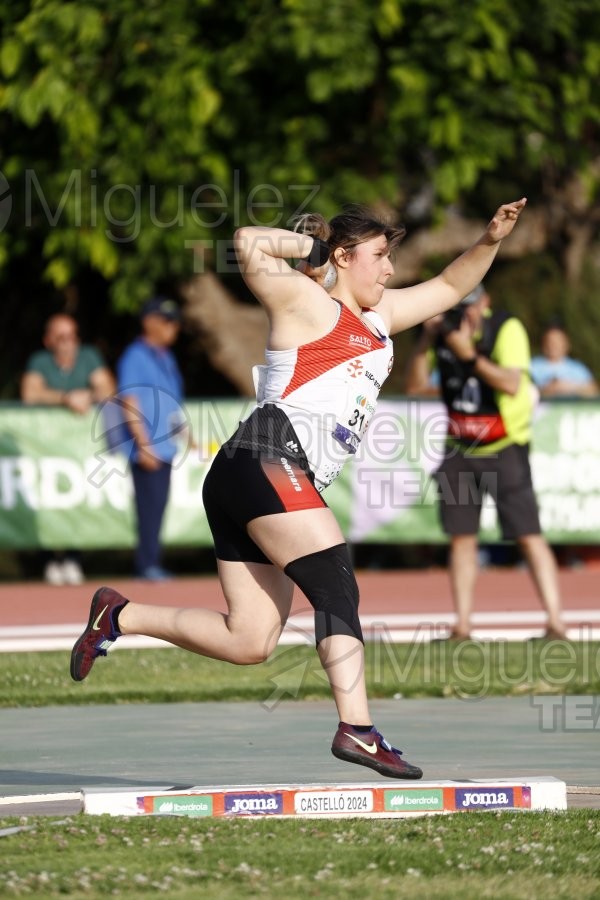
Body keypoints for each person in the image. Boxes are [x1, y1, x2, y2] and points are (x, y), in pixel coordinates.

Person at [71, 198, 527, 780]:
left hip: (254, 473)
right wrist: (313, 253)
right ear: (344, 256)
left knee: (250, 639)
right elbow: (247, 242)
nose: (390, 269)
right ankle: (357, 729)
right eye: (381, 256)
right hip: (266, 455)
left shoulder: (380, 317)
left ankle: (118, 616)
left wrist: (490, 238)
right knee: (335, 584)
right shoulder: (309, 302)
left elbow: (447, 283)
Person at [405, 284, 568, 641]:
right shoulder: (444, 333)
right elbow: (415, 385)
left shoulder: (506, 329)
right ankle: (462, 626)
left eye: (471, 306)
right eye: (458, 307)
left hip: (504, 445)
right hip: (459, 449)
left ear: (485, 302)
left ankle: (556, 621)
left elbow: (511, 384)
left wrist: (469, 356)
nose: (466, 314)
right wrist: (425, 339)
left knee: (528, 536)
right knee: (462, 539)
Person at [21, 313, 115, 585]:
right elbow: (29, 393)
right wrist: (65, 398)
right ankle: (50, 558)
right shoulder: (39, 361)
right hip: (44, 449)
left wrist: (88, 395)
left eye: (72, 336)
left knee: (78, 500)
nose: (67, 343)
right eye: (60, 337)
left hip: (81, 450)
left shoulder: (88, 356)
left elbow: (108, 388)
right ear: (48, 340)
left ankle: (73, 557)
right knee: (45, 499)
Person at [116, 296, 185, 581]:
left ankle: (151, 561)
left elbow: (171, 402)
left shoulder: (165, 356)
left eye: (174, 321)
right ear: (149, 322)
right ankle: (146, 565)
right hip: (149, 447)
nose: (173, 327)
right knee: (149, 507)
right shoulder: (135, 356)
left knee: (158, 507)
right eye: (166, 321)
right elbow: (130, 400)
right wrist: (143, 445)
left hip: (166, 447)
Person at [530, 323, 599, 397]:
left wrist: (570, 387)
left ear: (566, 344)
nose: (553, 345)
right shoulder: (532, 366)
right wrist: (546, 389)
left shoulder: (578, 368)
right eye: (550, 341)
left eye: (557, 342)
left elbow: (594, 390)